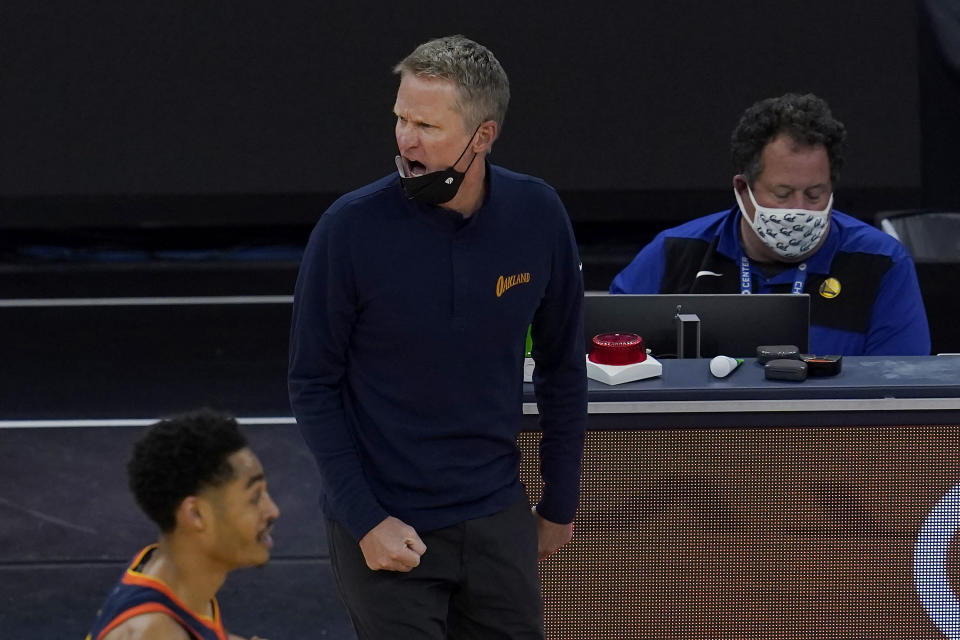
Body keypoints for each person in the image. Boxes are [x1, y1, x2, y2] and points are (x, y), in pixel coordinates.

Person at [288, 35, 587, 639]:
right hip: (387, 521)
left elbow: (562, 366)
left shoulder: (538, 214)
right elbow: (312, 383)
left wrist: (561, 503)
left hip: (496, 512)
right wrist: (364, 519)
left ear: (483, 135)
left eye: (427, 124)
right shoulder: (348, 229)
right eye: (400, 117)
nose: (405, 139)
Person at [610, 93, 931, 356]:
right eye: (782, 194)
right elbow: (606, 363)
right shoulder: (675, 253)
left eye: (815, 194)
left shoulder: (882, 262)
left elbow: (901, 389)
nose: (799, 209)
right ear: (741, 189)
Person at [85, 409, 279, 640]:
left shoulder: (164, 572)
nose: (272, 511)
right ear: (196, 514)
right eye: (255, 497)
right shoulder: (153, 633)